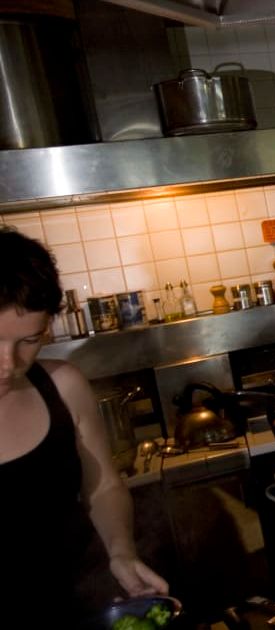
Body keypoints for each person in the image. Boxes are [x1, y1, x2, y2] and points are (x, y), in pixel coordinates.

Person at [0, 227, 167, 624]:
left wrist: (120, 551)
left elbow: (103, 485)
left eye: (29, 341)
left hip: (76, 602)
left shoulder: (63, 386)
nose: (8, 363)